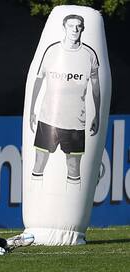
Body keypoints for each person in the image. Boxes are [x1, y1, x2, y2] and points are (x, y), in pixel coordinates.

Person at [29, 14, 101, 191]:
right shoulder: (52, 51)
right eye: (71, 26)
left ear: (83, 28)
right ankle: (38, 201)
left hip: (75, 123)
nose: (75, 30)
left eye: (78, 26)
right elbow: (38, 80)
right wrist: (32, 110)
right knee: (39, 163)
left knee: (74, 167)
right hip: (49, 119)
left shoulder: (89, 55)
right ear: (64, 27)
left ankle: (72, 215)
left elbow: (96, 86)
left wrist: (97, 114)